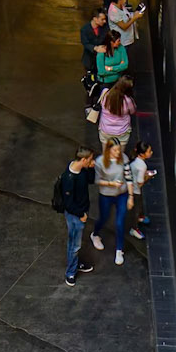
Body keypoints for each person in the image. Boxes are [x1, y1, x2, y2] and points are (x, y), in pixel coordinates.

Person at [56, 150, 97, 285]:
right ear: (84, 160)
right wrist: (81, 215)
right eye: (90, 160)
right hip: (75, 216)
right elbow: (69, 204)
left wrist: (91, 168)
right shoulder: (69, 178)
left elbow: (91, 180)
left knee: (75, 243)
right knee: (74, 244)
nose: (92, 161)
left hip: (81, 210)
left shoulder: (81, 170)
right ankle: (71, 272)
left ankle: (75, 264)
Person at [95, 140, 133, 264]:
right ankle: (95, 234)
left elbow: (128, 177)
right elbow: (97, 180)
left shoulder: (124, 158)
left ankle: (119, 249)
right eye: (115, 150)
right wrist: (110, 184)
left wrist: (131, 196)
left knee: (120, 222)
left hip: (122, 194)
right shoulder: (100, 161)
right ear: (108, 150)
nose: (118, 152)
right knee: (104, 217)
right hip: (106, 194)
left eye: (119, 149)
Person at [98, 76, 137, 151]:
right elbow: (132, 111)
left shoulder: (105, 93)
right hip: (122, 131)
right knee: (119, 154)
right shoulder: (128, 101)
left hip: (105, 129)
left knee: (105, 153)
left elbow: (101, 103)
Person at [129, 141, 156, 235]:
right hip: (135, 190)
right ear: (142, 154)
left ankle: (140, 217)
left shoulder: (136, 161)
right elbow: (140, 182)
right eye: (149, 151)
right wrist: (148, 176)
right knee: (136, 208)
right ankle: (134, 228)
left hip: (132, 186)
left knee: (138, 206)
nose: (151, 152)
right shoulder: (142, 166)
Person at [79, 8, 109, 84]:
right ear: (95, 19)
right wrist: (95, 48)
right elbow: (85, 43)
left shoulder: (105, 27)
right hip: (89, 59)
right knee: (90, 79)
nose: (104, 21)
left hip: (102, 58)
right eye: (102, 19)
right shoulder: (85, 29)